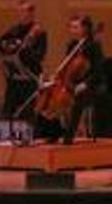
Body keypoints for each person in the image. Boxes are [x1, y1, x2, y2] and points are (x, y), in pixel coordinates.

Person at [37, 14, 104, 145]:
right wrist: (56, 78)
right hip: (70, 82)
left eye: (75, 27)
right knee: (49, 93)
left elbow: (98, 71)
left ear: (85, 28)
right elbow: (67, 66)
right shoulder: (72, 44)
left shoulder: (94, 46)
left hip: (89, 84)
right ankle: (53, 133)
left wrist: (85, 83)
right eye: (71, 27)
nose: (72, 30)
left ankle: (69, 136)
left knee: (77, 99)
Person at [0, 0, 48, 119]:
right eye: (19, 11)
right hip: (14, 79)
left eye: (23, 11)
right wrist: (9, 45)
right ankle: (9, 136)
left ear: (31, 14)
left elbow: (40, 56)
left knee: (28, 113)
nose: (20, 14)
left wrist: (25, 50)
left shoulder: (39, 32)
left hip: (30, 77)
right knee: (8, 112)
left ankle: (29, 136)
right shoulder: (14, 29)